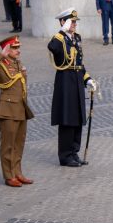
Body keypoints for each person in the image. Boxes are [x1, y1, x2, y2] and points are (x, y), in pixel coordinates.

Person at [0, 35, 35, 187]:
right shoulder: (0, 64)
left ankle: (18, 172)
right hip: (7, 110)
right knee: (8, 145)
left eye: (18, 47)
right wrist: (1, 55)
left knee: (19, 143)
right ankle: (8, 175)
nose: (18, 50)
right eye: (14, 47)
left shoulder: (17, 64)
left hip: (20, 108)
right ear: (7, 49)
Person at [48, 9, 97, 167]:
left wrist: (87, 79)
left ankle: (74, 152)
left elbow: (79, 63)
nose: (75, 25)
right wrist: (61, 31)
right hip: (65, 83)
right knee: (67, 119)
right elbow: (52, 48)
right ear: (63, 22)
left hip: (76, 81)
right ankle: (65, 156)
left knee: (77, 119)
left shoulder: (76, 38)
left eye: (75, 22)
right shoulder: (59, 38)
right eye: (72, 22)